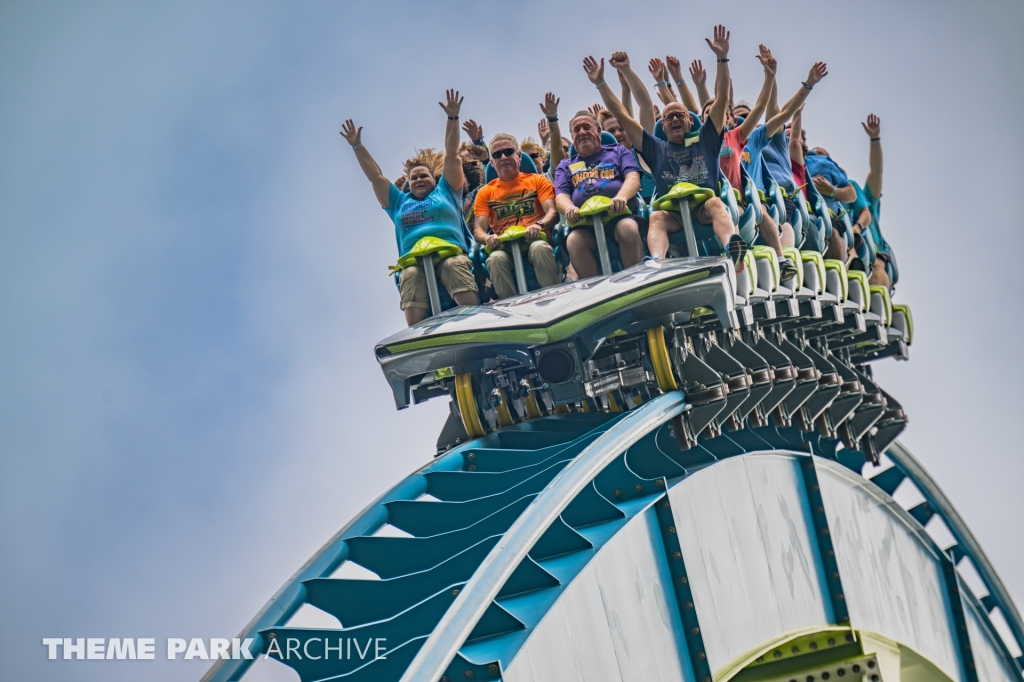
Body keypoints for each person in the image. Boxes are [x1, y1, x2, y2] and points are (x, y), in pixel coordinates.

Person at [587, 28, 746, 269]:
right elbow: (621, 113)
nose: (673, 120)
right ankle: (657, 264)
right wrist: (600, 83)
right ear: (663, 123)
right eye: (668, 117)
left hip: (703, 209)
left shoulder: (706, 139)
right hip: (675, 216)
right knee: (657, 217)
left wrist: (722, 59)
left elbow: (722, 97)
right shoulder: (655, 147)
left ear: (689, 120)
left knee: (715, 203)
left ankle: (732, 250)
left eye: (679, 115)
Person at [340, 89, 478, 326]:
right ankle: (418, 334)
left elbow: (452, 154)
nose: (419, 180)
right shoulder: (399, 203)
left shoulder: (446, 192)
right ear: (407, 184)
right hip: (415, 260)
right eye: (413, 178)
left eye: (424, 176)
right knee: (410, 275)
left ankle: (476, 320)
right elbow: (376, 177)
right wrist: (357, 146)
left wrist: (452, 118)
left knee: (452, 266)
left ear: (434, 180)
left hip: (451, 252)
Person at [554, 108, 644, 278]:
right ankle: (596, 289)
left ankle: (635, 280)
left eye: (586, 127)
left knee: (627, 228)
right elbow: (561, 196)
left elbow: (632, 178)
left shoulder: (618, 151)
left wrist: (621, 196)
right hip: (586, 225)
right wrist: (569, 209)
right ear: (572, 137)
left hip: (619, 215)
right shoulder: (565, 166)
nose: (582, 132)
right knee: (574, 241)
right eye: (577, 130)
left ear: (598, 131)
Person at [473, 132, 562, 299]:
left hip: (535, 239)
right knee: (495, 259)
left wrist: (539, 225)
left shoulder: (537, 180)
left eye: (508, 152)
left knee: (539, 249)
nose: (504, 157)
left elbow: (552, 212)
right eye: (497, 155)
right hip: (504, 246)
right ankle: (511, 307)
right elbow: (478, 230)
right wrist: (487, 238)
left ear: (519, 155)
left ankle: (554, 297)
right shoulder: (485, 192)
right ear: (492, 162)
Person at [843, 114, 894, 287]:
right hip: (846, 246)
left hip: (876, 254)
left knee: (876, 263)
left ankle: (877, 303)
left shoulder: (867, 200)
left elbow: (877, 171)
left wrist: (874, 138)